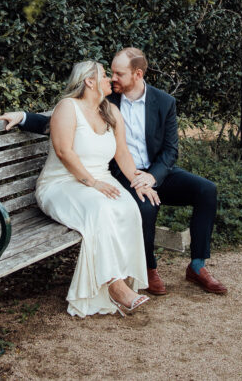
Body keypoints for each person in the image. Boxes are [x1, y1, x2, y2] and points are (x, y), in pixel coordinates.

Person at [0, 47, 228, 296]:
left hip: (154, 172)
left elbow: (171, 151)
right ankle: (148, 269)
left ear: (137, 74)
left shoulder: (164, 102)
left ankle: (197, 266)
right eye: (110, 73)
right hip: (120, 173)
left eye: (119, 73)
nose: (113, 78)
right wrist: (23, 116)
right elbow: (58, 122)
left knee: (206, 190)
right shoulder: (105, 100)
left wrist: (151, 178)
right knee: (143, 204)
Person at [34, 60, 161, 317]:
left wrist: (139, 180)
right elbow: (63, 151)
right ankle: (114, 285)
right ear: (89, 82)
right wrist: (91, 183)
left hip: (100, 180)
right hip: (62, 183)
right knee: (100, 208)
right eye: (104, 76)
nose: (109, 80)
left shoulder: (111, 112)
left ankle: (124, 277)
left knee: (129, 207)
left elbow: (123, 153)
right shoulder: (67, 108)